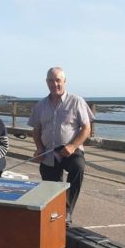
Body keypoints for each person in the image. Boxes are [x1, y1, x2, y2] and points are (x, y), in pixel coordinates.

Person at [27, 67, 93, 227]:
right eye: (51, 80)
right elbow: (36, 130)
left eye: (58, 80)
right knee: (51, 186)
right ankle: (56, 216)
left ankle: (67, 210)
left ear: (64, 81)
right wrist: (39, 148)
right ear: (46, 82)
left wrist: (72, 146)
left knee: (78, 167)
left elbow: (86, 129)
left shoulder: (76, 101)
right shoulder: (41, 105)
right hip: (49, 152)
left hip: (70, 150)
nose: (54, 84)